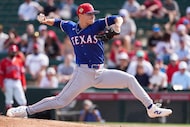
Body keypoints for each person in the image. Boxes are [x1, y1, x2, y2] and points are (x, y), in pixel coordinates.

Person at [6, 3, 172, 119]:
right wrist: (44, 20)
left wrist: (117, 27)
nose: (93, 16)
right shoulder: (71, 27)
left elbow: (118, 18)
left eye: (93, 13)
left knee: (130, 79)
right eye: (89, 14)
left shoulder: (97, 25)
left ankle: (151, 108)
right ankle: (26, 110)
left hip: (100, 72)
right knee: (60, 101)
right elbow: (56, 22)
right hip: (82, 73)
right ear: (80, 14)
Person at [0, 45, 27, 110]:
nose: (13, 53)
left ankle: (24, 116)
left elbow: (22, 74)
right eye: (12, 51)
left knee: (22, 100)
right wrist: (2, 85)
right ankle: (9, 116)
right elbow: (1, 75)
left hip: (17, 81)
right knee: (9, 101)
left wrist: (24, 84)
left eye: (14, 52)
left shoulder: (19, 61)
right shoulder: (3, 61)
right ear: (9, 52)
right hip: (8, 80)